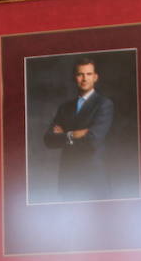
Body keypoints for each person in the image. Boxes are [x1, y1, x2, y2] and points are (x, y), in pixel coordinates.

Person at [42, 57, 115, 201]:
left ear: (95, 77)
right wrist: (73, 134)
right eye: (80, 74)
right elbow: (49, 140)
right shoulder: (65, 107)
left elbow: (92, 141)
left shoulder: (104, 104)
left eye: (88, 74)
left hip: (93, 181)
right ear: (75, 77)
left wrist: (64, 136)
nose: (84, 78)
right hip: (68, 179)